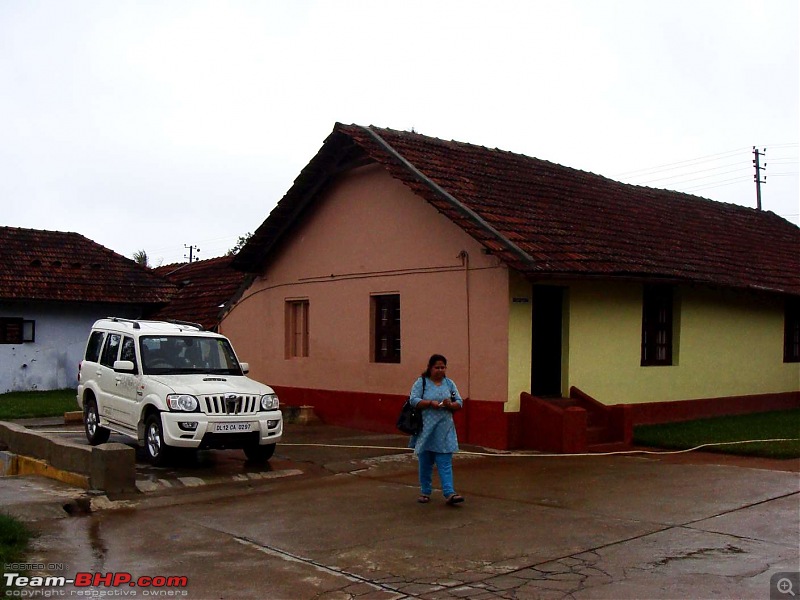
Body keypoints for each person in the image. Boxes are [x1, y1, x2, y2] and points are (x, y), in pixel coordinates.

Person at [408, 354, 465, 505]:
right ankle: (425, 492)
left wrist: (450, 405)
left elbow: (459, 402)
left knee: (445, 462)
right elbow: (413, 400)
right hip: (426, 430)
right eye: (437, 367)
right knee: (425, 463)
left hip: (444, 430)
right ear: (430, 367)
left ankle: (449, 493)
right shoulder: (422, 383)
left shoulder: (449, 384)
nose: (440, 370)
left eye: (443, 367)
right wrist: (430, 403)